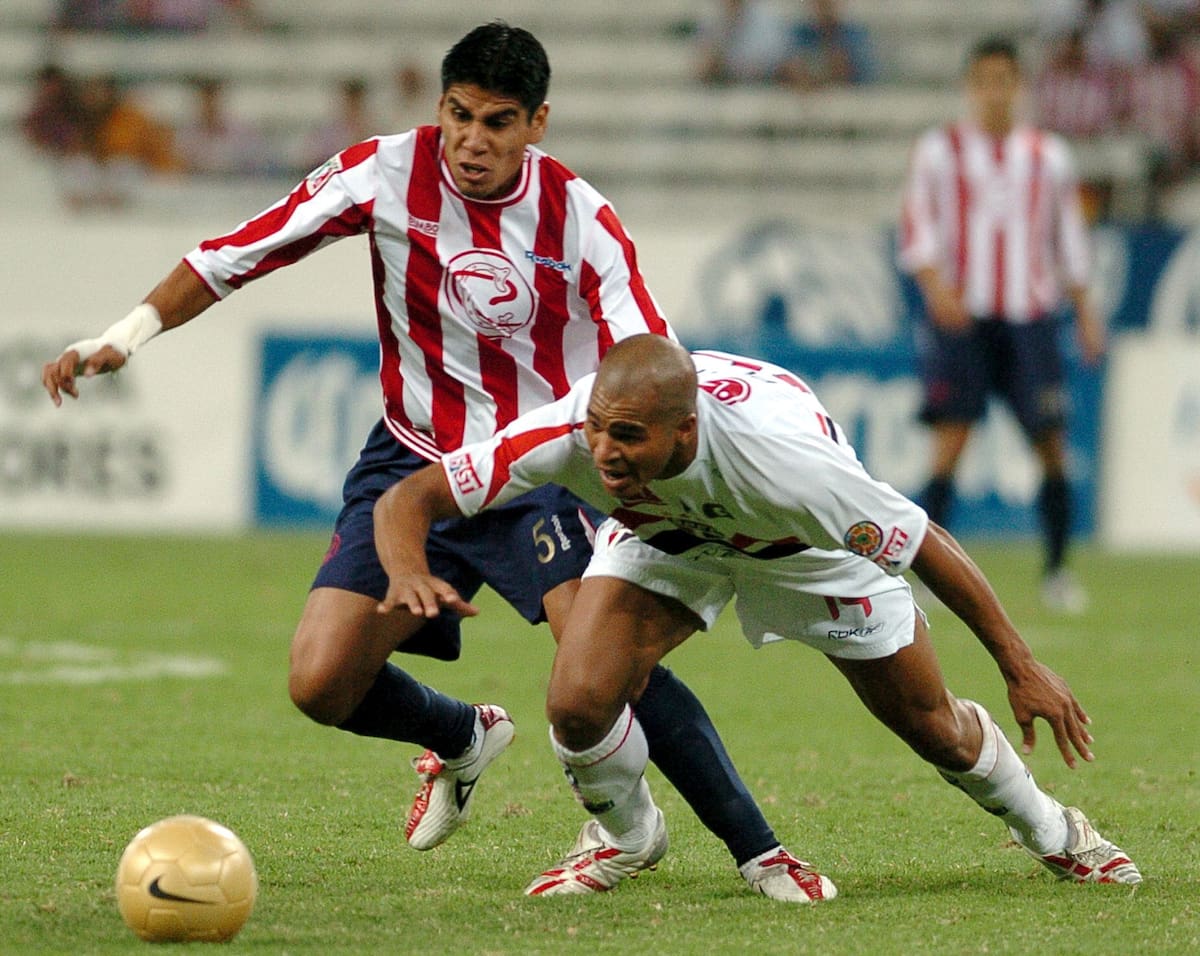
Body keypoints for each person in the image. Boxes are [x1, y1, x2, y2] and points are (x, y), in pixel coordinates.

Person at [40, 21, 816, 904]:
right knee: (321, 681)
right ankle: (461, 736)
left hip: (537, 467)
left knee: (603, 666)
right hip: (412, 463)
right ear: (440, 107)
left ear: (537, 123)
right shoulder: (381, 173)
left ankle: (742, 848)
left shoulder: (579, 217)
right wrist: (126, 333)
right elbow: (239, 252)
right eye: (459, 115)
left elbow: (651, 356)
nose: (472, 141)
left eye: (498, 121)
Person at [372, 334, 1142, 897]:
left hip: (802, 550)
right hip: (670, 539)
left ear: (686, 430)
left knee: (930, 722)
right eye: (598, 428)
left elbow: (925, 543)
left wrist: (1019, 664)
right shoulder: (570, 433)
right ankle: (627, 837)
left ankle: (1053, 829)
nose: (602, 451)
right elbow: (411, 497)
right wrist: (407, 568)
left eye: (627, 435)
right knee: (578, 699)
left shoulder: (787, 465)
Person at [898, 35, 1106, 615]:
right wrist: (937, 287)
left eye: (1004, 81)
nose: (995, 93)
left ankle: (1058, 571)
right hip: (965, 320)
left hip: (1030, 319)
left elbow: (1068, 239)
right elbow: (917, 228)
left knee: (1052, 446)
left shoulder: (1048, 156)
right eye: (985, 81)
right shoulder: (940, 151)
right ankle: (925, 575)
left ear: (1020, 86)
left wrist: (1086, 312)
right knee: (949, 446)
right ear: (971, 87)